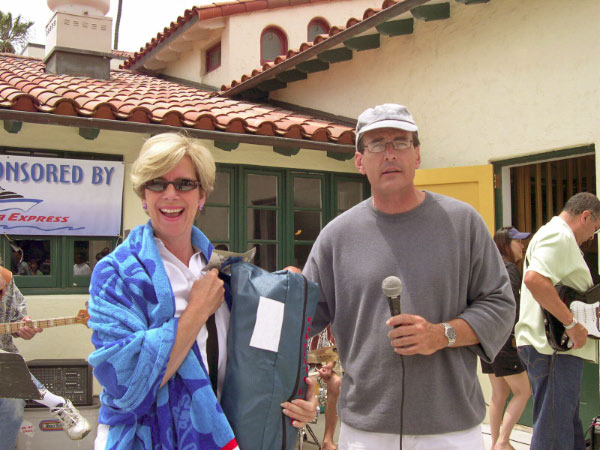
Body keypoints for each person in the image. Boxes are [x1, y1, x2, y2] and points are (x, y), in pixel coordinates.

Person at [301, 104, 515, 449]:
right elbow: (299, 318)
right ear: (359, 161)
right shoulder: (336, 236)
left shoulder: (463, 223)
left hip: (451, 429)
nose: (389, 154)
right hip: (365, 431)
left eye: (400, 142)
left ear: (417, 155)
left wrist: (440, 334)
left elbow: (500, 305)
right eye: (376, 144)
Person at [88, 133, 317, 450]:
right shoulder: (115, 274)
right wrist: (196, 311)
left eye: (184, 184)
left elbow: (265, 363)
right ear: (143, 195)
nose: (170, 194)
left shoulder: (230, 275)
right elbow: (124, 382)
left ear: (202, 196)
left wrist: (301, 397)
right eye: (157, 183)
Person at [515, 192, 600, 450]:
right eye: (595, 228)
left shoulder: (550, 234)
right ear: (585, 216)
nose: (592, 237)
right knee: (554, 435)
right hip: (553, 350)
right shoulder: (559, 236)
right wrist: (571, 324)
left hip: (551, 349)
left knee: (567, 431)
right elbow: (534, 279)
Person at [0, 265, 91, 449]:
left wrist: (23, 328)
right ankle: (54, 401)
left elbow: (18, 320)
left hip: (6, 367)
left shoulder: (6, 279)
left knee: (12, 408)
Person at [482, 227, 531, 450]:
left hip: (486, 340)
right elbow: (510, 308)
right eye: (517, 242)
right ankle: (502, 442)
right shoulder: (509, 270)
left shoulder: (489, 268)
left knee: (499, 393)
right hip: (504, 341)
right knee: (524, 391)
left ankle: (494, 444)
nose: (522, 246)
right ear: (505, 244)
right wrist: (513, 338)